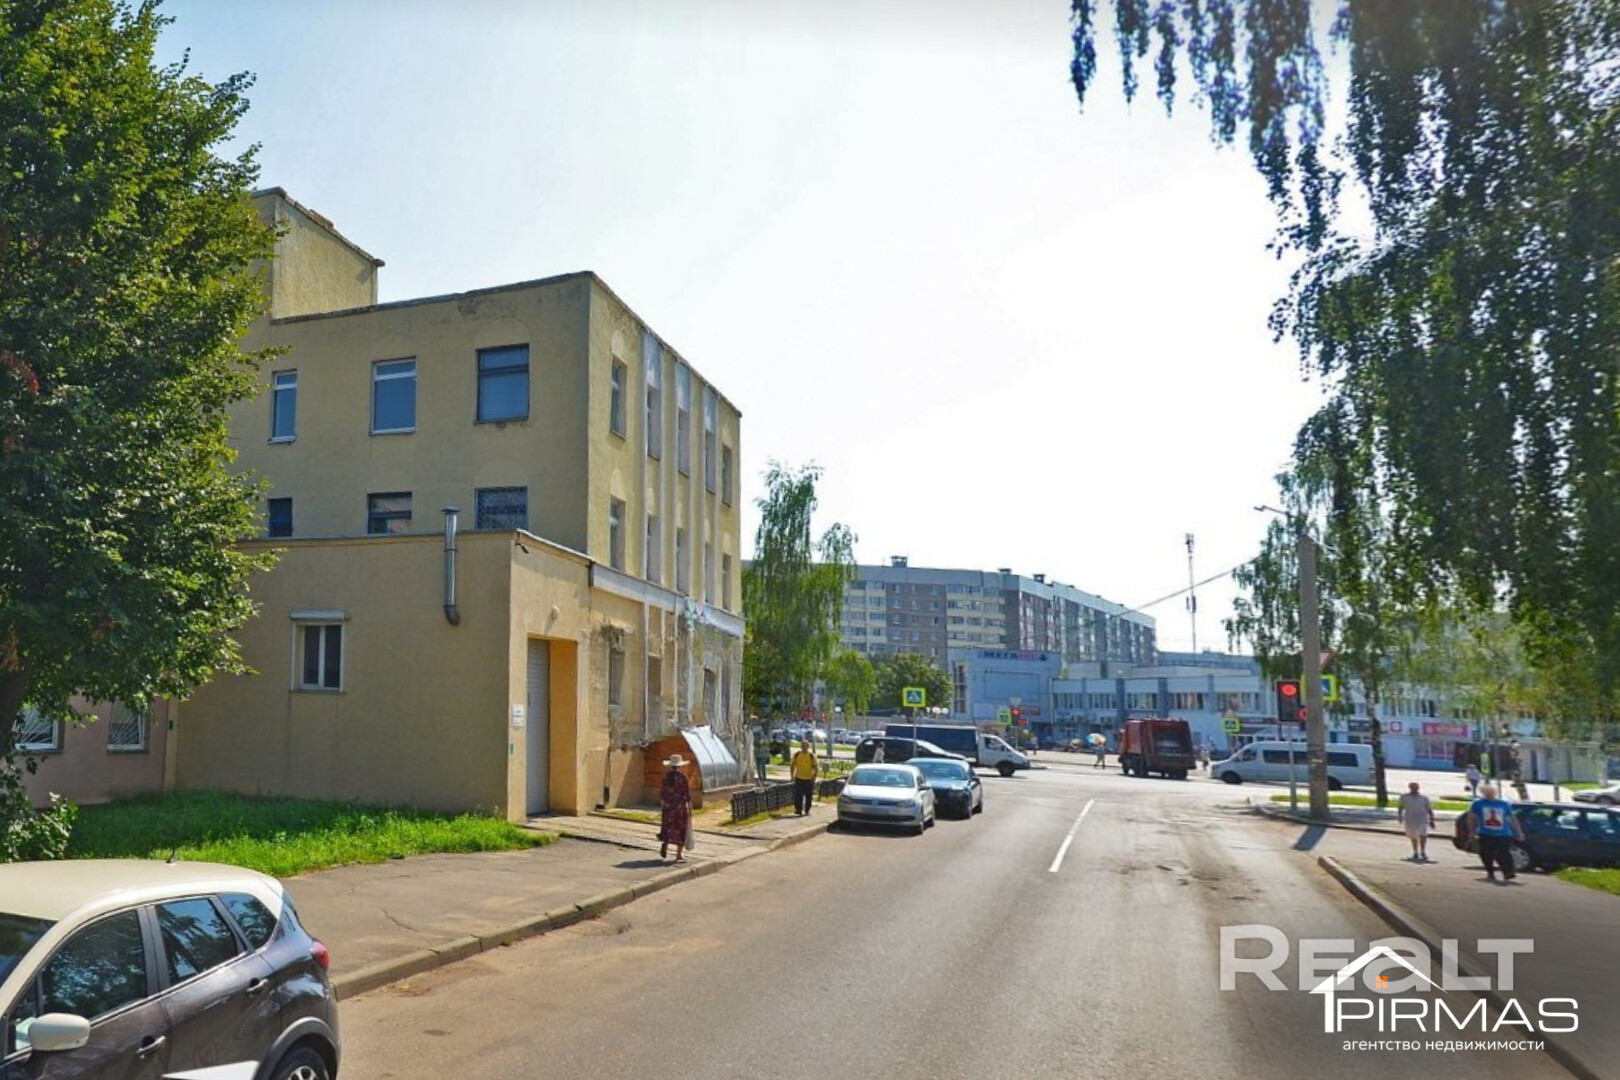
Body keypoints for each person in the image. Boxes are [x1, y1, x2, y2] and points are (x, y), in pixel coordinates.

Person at [1469, 783, 1525, 882]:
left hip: (1504, 834)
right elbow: (1472, 818)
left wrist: (1518, 832)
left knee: (1503, 853)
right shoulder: (1478, 804)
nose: (1490, 795)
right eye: (1487, 793)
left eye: (1491, 793)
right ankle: (1490, 873)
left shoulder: (1504, 804)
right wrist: (1472, 831)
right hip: (1485, 833)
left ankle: (1508, 872)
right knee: (1486, 854)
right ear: (1483, 793)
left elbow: (1512, 819)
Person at [658, 755, 692, 862]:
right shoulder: (683, 777)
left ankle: (666, 842)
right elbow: (687, 794)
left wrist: (663, 805)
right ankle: (679, 855)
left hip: (668, 808)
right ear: (680, 766)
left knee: (668, 826)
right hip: (680, 808)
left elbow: (662, 793)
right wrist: (690, 808)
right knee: (680, 830)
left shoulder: (666, 777)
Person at [1396, 781, 1436, 862]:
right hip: (1410, 820)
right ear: (1410, 788)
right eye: (1413, 787)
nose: (1414, 789)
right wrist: (1400, 817)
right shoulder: (1404, 797)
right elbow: (1400, 807)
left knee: (1423, 835)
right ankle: (1415, 852)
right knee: (1413, 837)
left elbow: (1429, 809)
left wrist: (1432, 820)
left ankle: (1423, 851)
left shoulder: (1423, 798)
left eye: (1416, 787)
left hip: (1422, 819)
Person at [790, 739, 819, 816]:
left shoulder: (811, 756)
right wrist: (792, 775)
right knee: (798, 795)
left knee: (808, 796)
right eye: (802, 745)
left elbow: (816, 767)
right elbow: (792, 766)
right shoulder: (797, 755)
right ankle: (798, 810)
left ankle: (807, 810)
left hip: (809, 779)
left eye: (805, 746)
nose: (804, 747)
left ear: (808, 746)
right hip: (799, 778)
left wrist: (814, 777)